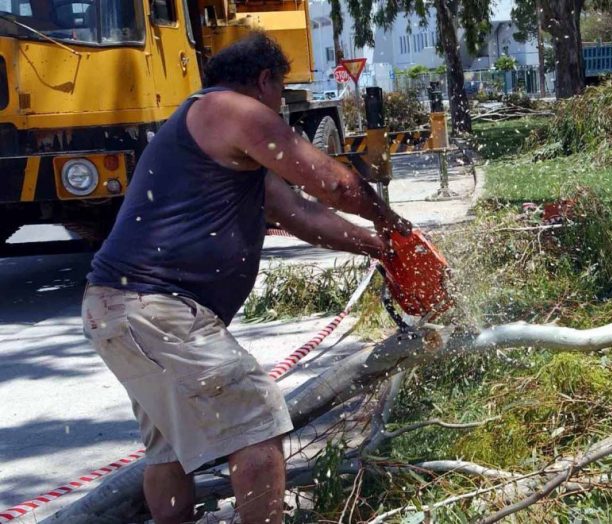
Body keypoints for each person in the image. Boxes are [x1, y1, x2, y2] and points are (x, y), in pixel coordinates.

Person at [81, 32, 410, 523]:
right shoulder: (234, 111)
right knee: (258, 422)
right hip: (155, 309)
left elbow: (298, 211)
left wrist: (380, 249)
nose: (281, 108)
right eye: (280, 93)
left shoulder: (218, 139)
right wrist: (395, 224)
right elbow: (333, 184)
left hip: (122, 309)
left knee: (169, 449)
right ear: (264, 81)